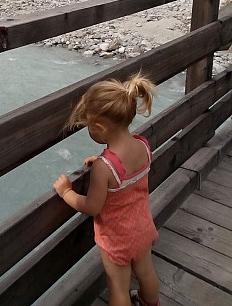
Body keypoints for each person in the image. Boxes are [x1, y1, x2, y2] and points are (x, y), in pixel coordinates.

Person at [53, 73, 160, 306]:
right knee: (146, 273)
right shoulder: (142, 145)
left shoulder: (104, 168)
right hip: (142, 227)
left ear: (100, 127)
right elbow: (125, 170)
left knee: (118, 288)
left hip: (117, 239)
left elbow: (92, 207)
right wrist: (103, 163)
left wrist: (66, 192)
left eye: (89, 127)